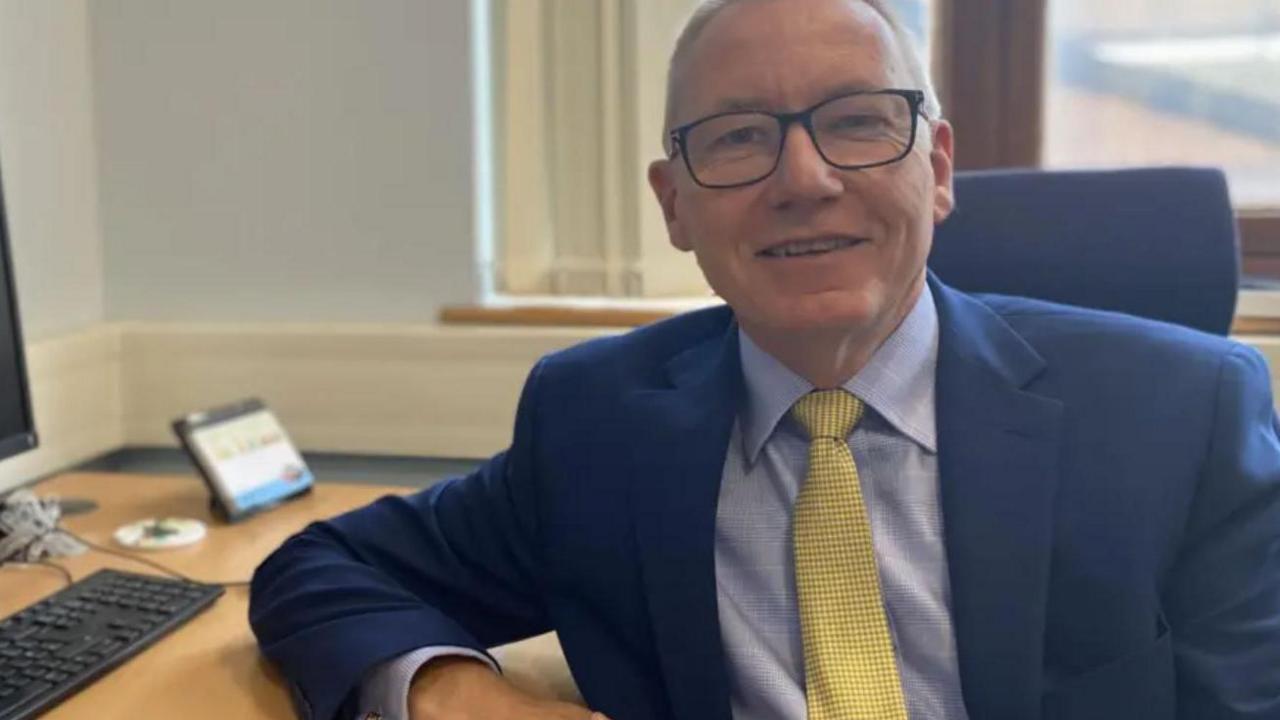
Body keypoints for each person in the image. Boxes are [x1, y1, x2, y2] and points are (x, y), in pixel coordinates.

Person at [248, 0, 1280, 718]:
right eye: (737, 139)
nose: (804, 177)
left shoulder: (1178, 415)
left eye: (855, 123)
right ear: (673, 206)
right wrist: (457, 696)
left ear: (938, 167)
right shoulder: (595, 421)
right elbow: (321, 569)